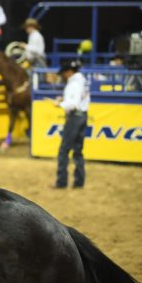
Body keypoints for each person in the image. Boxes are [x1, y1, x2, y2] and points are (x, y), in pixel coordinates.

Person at [53, 60, 90, 189]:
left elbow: (73, 104)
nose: (62, 76)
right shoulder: (82, 81)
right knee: (78, 151)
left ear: (69, 72)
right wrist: (64, 100)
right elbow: (78, 100)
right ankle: (79, 181)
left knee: (64, 150)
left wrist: (60, 104)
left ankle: (61, 182)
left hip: (74, 117)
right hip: (82, 115)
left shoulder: (74, 84)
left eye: (63, 73)